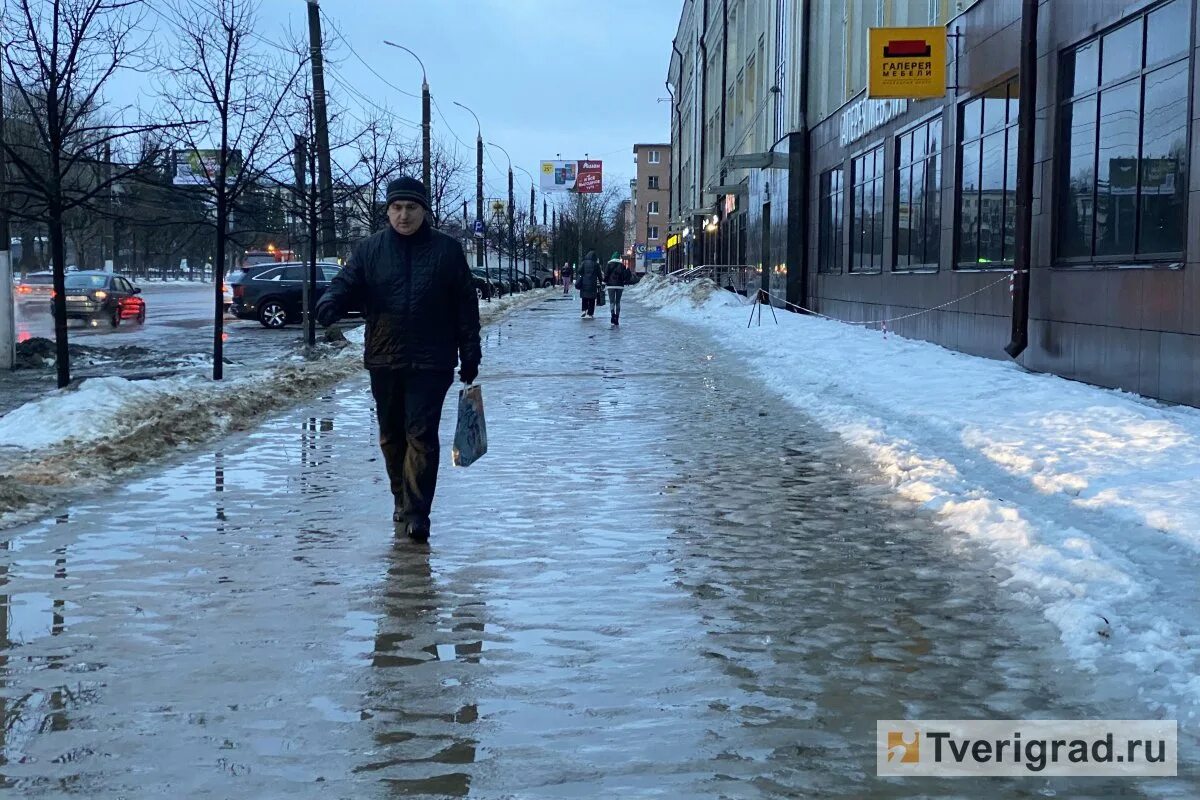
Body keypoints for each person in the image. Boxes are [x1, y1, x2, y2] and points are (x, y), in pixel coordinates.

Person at [317, 176, 481, 542]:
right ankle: (400, 496)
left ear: (424, 210)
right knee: (391, 437)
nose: (403, 215)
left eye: (410, 207)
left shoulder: (447, 251)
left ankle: (419, 513)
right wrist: (330, 301)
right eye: (396, 207)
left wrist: (470, 351)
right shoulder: (370, 249)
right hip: (384, 357)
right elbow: (347, 282)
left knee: (421, 436)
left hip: (432, 360)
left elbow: (465, 306)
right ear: (387, 211)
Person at [603, 253, 632, 326]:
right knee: (618, 302)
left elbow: (606, 275)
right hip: (620, 286)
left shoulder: (609, 265)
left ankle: (613, 315)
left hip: (610, 286)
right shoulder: (622, 266)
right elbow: (624, 276)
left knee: (612, 302)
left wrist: (604, 282)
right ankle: (617, 318)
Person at [575, 250, 603, 318]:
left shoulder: (584, 263)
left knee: (584, 298)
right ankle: (590, 313)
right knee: (592, 299)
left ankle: (584, 310)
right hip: (593, 284)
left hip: (584, 283)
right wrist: (601, 282)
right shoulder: (596, 264)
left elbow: (579, 271)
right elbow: (599, 274)